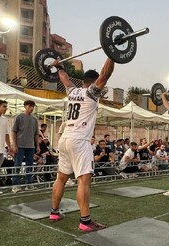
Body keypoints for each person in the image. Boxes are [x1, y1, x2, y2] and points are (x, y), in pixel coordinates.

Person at [49, 57, 114, 232]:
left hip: (64, 139)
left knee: (61, 178)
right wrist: (111, 55)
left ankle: (54, 212)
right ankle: (85, 222)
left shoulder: (72, 92)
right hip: (79, 141)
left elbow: (65, 78)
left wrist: (59, 67)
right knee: (84, 181)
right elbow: (105, 74)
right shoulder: (91, 92)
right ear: (92, 83)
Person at [11, 100, 40, 192]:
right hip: (20, 145)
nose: (31, 108)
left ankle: (29, 183)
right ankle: (15, 185)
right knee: (17, 165)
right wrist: (14, 145)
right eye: (30, 106)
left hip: (30, 146)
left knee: (30, 166)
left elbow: (36, 134)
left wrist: (37, 146)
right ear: (25, 106)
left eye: (33, 106)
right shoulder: (19, 117)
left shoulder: (34, 119)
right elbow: (14, 131)